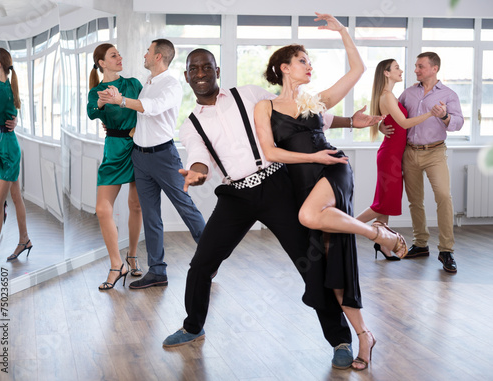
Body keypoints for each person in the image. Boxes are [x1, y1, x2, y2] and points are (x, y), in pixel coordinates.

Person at [162, 44, 382, 370]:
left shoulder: (249, 94)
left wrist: (351, 121)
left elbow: (297, 112)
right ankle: (193, 325)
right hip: (235, 195)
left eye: (206, 67)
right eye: (194, 69)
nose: (201, 74)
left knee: (311, 262)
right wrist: (197, 173)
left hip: (278, 184)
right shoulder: (190, 125)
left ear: (217, 71)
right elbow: (198, 157)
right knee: (201, 264)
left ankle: (340, 339)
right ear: (186, 77)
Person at [254, 14, 408, 370]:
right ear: (284, 68)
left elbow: (358, 69)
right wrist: (311, 153)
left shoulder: (317, 100)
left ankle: (378, 232)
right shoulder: (266, 106)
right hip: (304, 183)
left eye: (310, 61)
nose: (310, 66)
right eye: (303, 61)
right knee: (331, 266)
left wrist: (342, 31)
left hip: (334, 170)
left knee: (308, 216)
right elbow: (270, 152)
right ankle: (364, 335)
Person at [98, 39, 205, 289]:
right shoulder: (147, 83)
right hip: (140, 156)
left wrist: (120, 100)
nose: (144, 54)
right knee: (151, 216)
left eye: (148, 51)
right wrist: (117, 125)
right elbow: (140, 117)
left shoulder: (171, 84)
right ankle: (157, 271)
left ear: (158, 57)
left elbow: (152, 108)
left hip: (164, 157)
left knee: (186, 208)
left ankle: (211, 258)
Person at [381, 52, 464, 273]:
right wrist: (381, 126)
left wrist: (444, 116)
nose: (416, 70)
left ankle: (446, 250)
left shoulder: (448, 94)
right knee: (415, 200)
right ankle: (421, 244)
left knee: (444, 197)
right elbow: (391, 115)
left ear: (434, 68)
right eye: (416, 66)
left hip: (435, 152)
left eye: (421, 66)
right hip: (410, 152)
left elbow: (458, 123)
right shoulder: (407, 93)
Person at [356, 59, 433, 260]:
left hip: (393, 155)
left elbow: (390, 122)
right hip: (389, 156)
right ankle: (342, 228)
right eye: (397, 67)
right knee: (382, 204)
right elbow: (405, 123)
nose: (401, 70)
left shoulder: (391, 96)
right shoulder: (387, 96)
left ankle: (384, 244)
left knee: (386, 203)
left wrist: (381, 126)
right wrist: (430, 114)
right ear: (386, 73)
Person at [87, 43, 143, 290]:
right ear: (102, 63)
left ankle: (132, 255)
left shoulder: (134, 84)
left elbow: (146, 111)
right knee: (102, 208)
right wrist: (102, 103)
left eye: (119, 53)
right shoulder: (95, 91)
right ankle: (116, 263)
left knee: (136, 205)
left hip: (139, 147)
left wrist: (121, 102)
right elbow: (91, 112)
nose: (120, 57)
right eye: (113, 55)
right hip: (114, 149)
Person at [0, 48, 32, 260]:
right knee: (16, 197)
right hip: (5, 144)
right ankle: (24, 240)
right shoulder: (2, 85)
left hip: (8, 149)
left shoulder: (3, 90)